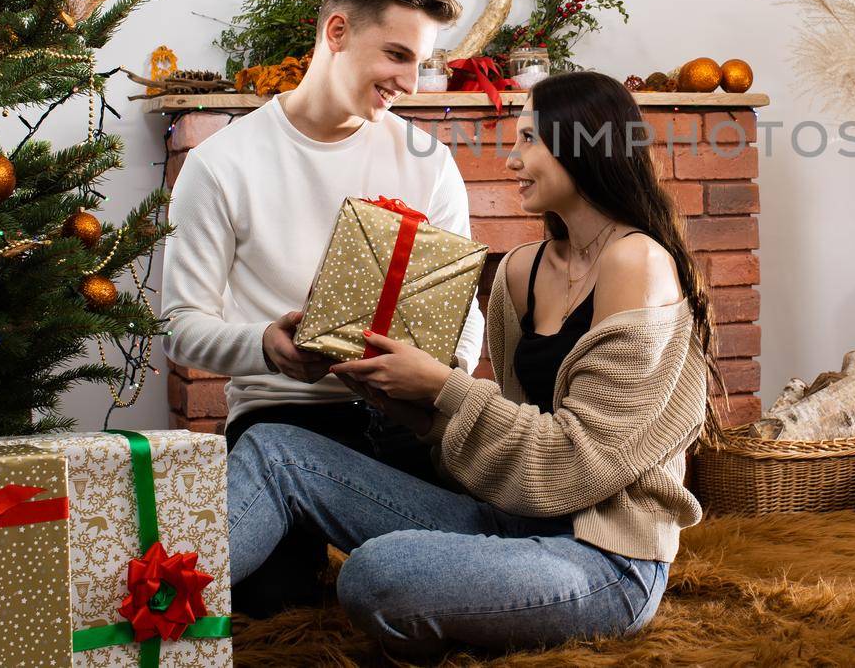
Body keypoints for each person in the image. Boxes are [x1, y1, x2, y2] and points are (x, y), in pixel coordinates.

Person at [226, 71, 718, 661]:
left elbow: (581, 464)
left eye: (529, 140)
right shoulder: (520, 271)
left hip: (605, 558)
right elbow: (518, 432)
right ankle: (142, 607)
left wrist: (443, 386)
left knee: (378, 573)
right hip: (513, 521)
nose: (512, 160)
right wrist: (391, 390)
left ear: (582, 145)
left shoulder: (637, 262)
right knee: (274, 449)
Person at [162, 0, 485, 616]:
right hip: (280, 414)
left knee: (472, 554)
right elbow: (180, 326)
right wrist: (266, 345)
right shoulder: (222, 163)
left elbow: (465, 309)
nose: (412, 82)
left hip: (399, 418)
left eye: (421, 63)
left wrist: (445, 368)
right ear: (336, 32)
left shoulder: (429, 162)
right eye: (397, 54)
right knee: (271, 606)